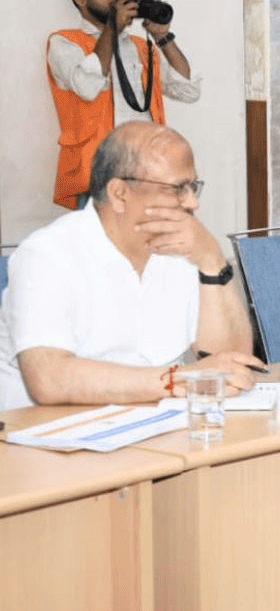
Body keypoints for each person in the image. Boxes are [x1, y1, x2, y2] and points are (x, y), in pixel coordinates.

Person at [0, 122, 257, 409]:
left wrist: (213, 262)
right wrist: (175, 381)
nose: (192, 203)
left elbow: (232, 367)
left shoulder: (185, 249)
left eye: (193, 187)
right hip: (48, 428)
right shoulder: (47, 255)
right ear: (119, 194)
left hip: (153, 421)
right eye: (178, 188)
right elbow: (51, 380)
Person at [47, 0, 201, 209]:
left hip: (149, 171)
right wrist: (112, 27)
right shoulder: (65, 43)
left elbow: (188, 90)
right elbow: (87, 87)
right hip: (99, 173)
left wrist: (163, 37)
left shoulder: (139, 46)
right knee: (101, 236)